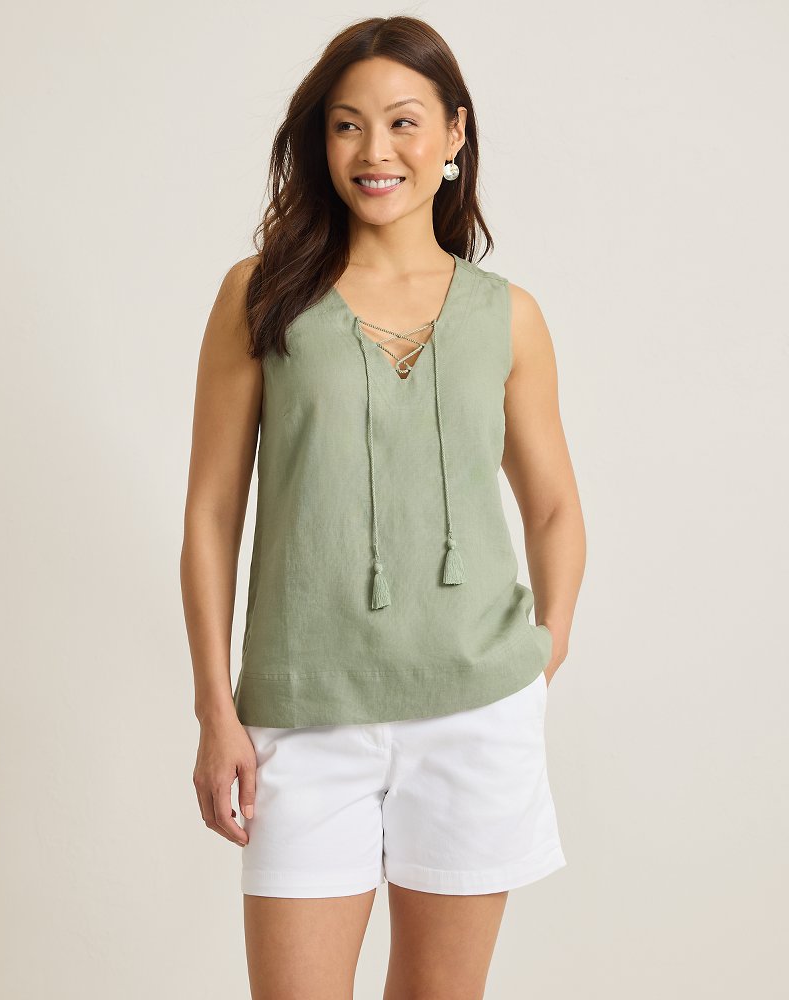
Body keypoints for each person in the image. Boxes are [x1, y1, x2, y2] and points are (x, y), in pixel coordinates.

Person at [181, 15, 586, 1000]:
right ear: (320, 142)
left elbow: (553, 509)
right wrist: (215, 710)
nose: (374, 151)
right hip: (302, 717)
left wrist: (541, 657)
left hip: (476, 714)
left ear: (453, 133)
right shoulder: (261, 297)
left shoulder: (507, 314)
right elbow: (210, 515)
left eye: (403, 122)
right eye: (346, 125)